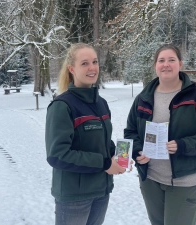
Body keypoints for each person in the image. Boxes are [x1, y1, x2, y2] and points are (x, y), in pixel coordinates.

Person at [124, 44, 196, 225]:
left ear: (180, 63)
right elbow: (131, 131)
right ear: (155, 65)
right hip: (151, 179)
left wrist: (183, 145)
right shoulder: (144, 97)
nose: (166, 65)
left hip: (185, 181)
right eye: (161, 60)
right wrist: (138, 151)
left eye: (171, 60)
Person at [45, 43, 126, 225]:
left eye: (95, 62)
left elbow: (101, 144)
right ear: (72, 69)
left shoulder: (101, 103)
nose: (92, 67)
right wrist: (105, 164)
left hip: (101, 191)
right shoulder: (62, 106)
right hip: (74, 196)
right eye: (84, 63)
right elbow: (57, 155)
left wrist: (119, 156)